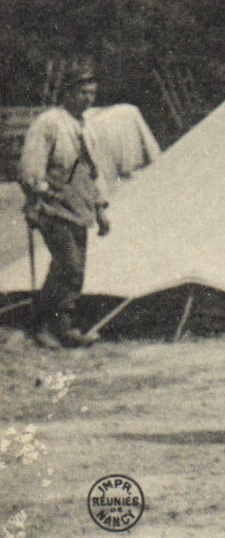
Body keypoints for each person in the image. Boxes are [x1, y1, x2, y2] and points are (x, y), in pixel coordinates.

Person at [17, 60, 110, 349]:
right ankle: (41, 325)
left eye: (92, 93)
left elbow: (93, 171)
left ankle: (64, 326)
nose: (88, 98)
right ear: (68, 92)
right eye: (83, 92)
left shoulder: (85, 126)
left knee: (76, 268)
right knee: (67, 264)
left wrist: (101, 208)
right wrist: (38, 197)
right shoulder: (49, 123)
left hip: (79, 208)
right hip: (52, 207)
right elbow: (31, 168)